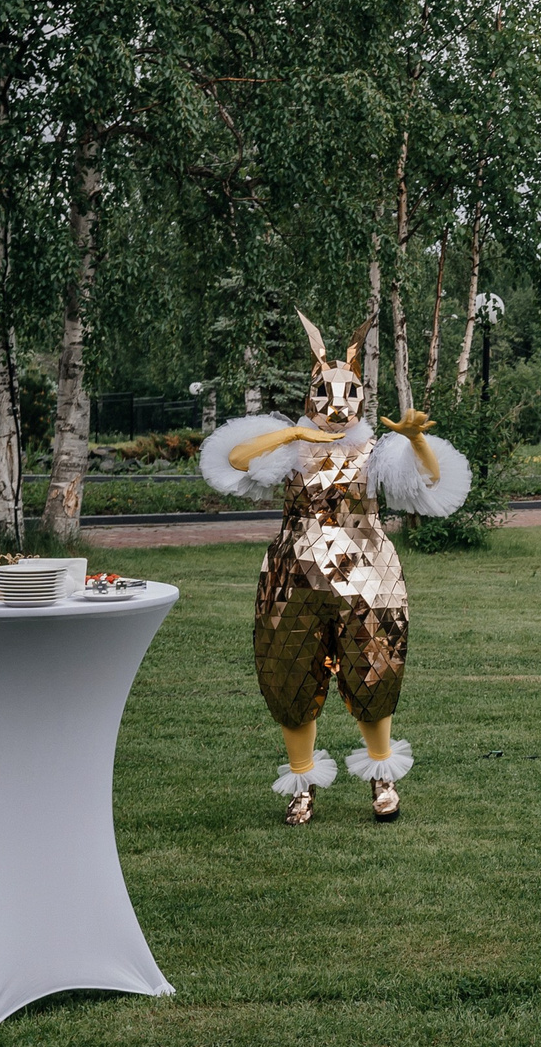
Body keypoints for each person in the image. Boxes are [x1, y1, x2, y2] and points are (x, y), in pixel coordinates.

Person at [198, 312, 471, 825]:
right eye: (325, 392)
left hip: (369, 576)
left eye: (348, 393)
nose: (337, 405)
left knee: (375, 668)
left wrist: (415, 441)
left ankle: (382, 778)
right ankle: (302, 787)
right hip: (292, 579)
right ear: (311, 394)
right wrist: (291, 434)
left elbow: (432, 481)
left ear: (361, 397)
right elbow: (234, 460)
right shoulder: (290, 448)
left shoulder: (376, 450)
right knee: (288, 676)